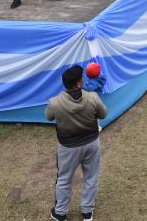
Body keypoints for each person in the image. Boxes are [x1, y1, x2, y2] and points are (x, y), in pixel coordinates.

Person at [46, 64, 107, 221]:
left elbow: (49, 117)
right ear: (80, 83)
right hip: (92, 144)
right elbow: (103, 113)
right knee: (91, 177)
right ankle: (87, 212)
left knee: (64, 179)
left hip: (68, 148)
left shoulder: (55, 102)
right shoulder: (92, 97)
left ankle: (60, 213)